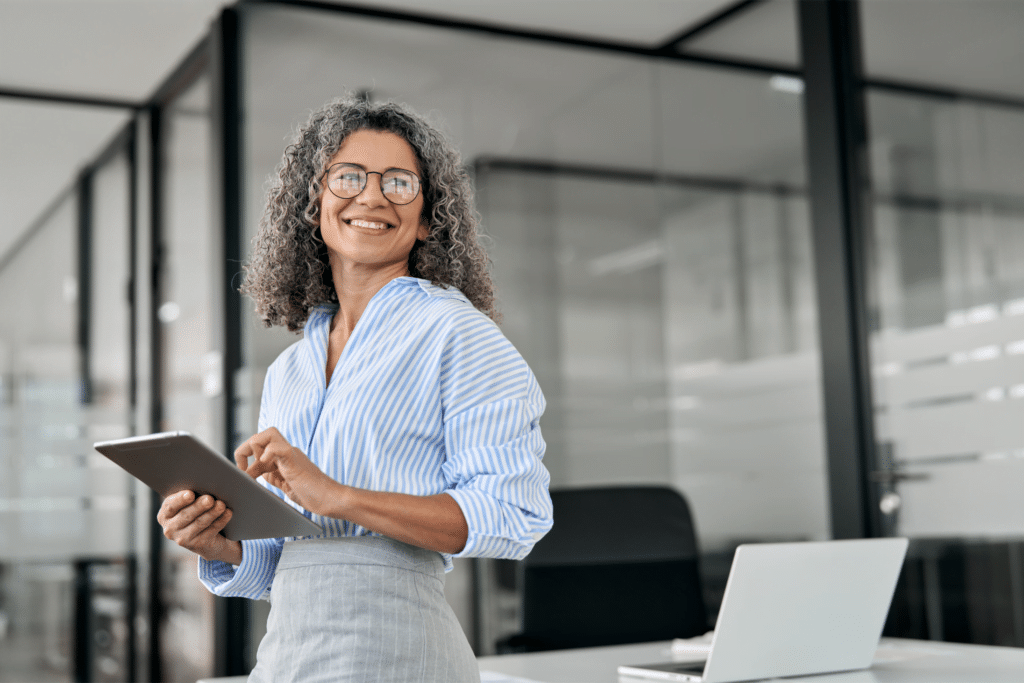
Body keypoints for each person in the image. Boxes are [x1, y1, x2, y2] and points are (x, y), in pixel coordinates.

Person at [156, 96, 553, 682]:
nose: (372, 197)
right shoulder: (290, 369)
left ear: (427, 218)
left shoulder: (457, 333)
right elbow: (292, 560)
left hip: (400, 654)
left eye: (399, 182)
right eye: (349, 177)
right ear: (313, 204)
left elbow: (514, 513)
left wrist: (339, 496)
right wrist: (221, 544)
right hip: (289, 658)